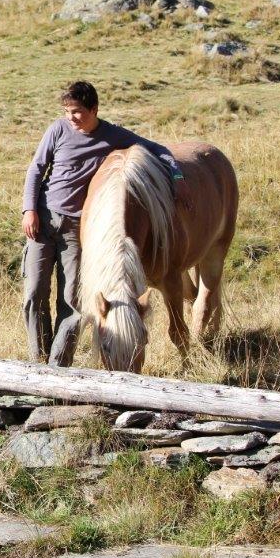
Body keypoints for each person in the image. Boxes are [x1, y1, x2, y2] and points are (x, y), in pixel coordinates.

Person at [21, 81, 190, 367]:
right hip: (44, 218)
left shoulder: (112, 134)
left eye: (77, 111)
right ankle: (37, 360)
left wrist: (177, 178)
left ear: (94, 109)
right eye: (67, 111)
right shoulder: (58, 129)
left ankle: (57, 366)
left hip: (77, 228)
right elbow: (36, 168)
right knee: (34, 292)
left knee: (72, 301)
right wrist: (29, 209)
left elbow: (157, 149)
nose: (71, 117)